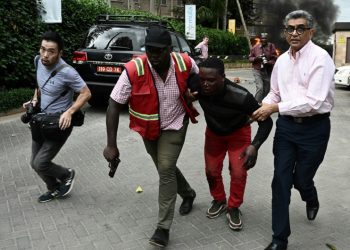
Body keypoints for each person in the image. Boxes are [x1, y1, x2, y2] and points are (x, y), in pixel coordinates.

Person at [103, 25, 199, 248]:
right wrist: (111, 145)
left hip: (175, 124)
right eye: (150, 50)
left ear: (170, 49)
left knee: (165, 168)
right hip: (148, 129)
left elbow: (197, 74)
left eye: (159, 51)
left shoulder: (184, 62)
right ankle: (188, 193)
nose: (154, 56)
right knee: (165, 167)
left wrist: (194, 89)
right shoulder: (134, 69)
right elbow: (113, 105)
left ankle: (162, 228)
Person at [252, 10, 335, 250]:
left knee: (301, 179)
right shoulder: (282, 61)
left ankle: (310, 195)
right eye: (290, 28)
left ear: (311, 31)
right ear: (285, 32)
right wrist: (264, 105)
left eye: (300, 28)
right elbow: (275, 92)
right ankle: (280, 240)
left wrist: (274, 107)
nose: (295, 33)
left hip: (315, 129)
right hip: (287, 128)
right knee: (280, 181)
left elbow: (314, 102)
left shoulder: (321, 58)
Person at [187, 58, 273, 231]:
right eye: (202, 79)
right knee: (211, 171)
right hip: (213, 134)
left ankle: (233, 207)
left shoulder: (241, 96)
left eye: (211, 80)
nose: (205, 84)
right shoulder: (197, 84)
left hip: (238, 135)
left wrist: (254, 146)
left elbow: (267, 122)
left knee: (239, 172)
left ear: (223, 78)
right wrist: (187, 96)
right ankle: (219, 200)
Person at [22, 31, 91, 203]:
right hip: (39, 120)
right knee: (34, 163)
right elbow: (40, 85)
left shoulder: (68, 72)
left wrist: (69, 111)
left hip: (58, 124)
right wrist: (34, 99)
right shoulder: (38, 61)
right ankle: (54, 188)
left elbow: (86, 93)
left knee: (40, 163)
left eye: (51, 51)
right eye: (43, 49)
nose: (45, 55)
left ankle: (67, 174)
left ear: (60, 53)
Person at [249, 33, 278, 103]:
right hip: (257, 70)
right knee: (260, 88)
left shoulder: (271, 46)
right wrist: (256, 58)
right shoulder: (255, 47)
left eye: (265, 38)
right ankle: (255, 105)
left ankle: (263, 103)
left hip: (267, 70)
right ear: (260, 39)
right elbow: (250, 58)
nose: (264, 39)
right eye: (262, 38)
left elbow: (275, 58)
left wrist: (269, 62)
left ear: (267, 39)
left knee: (267, 89)